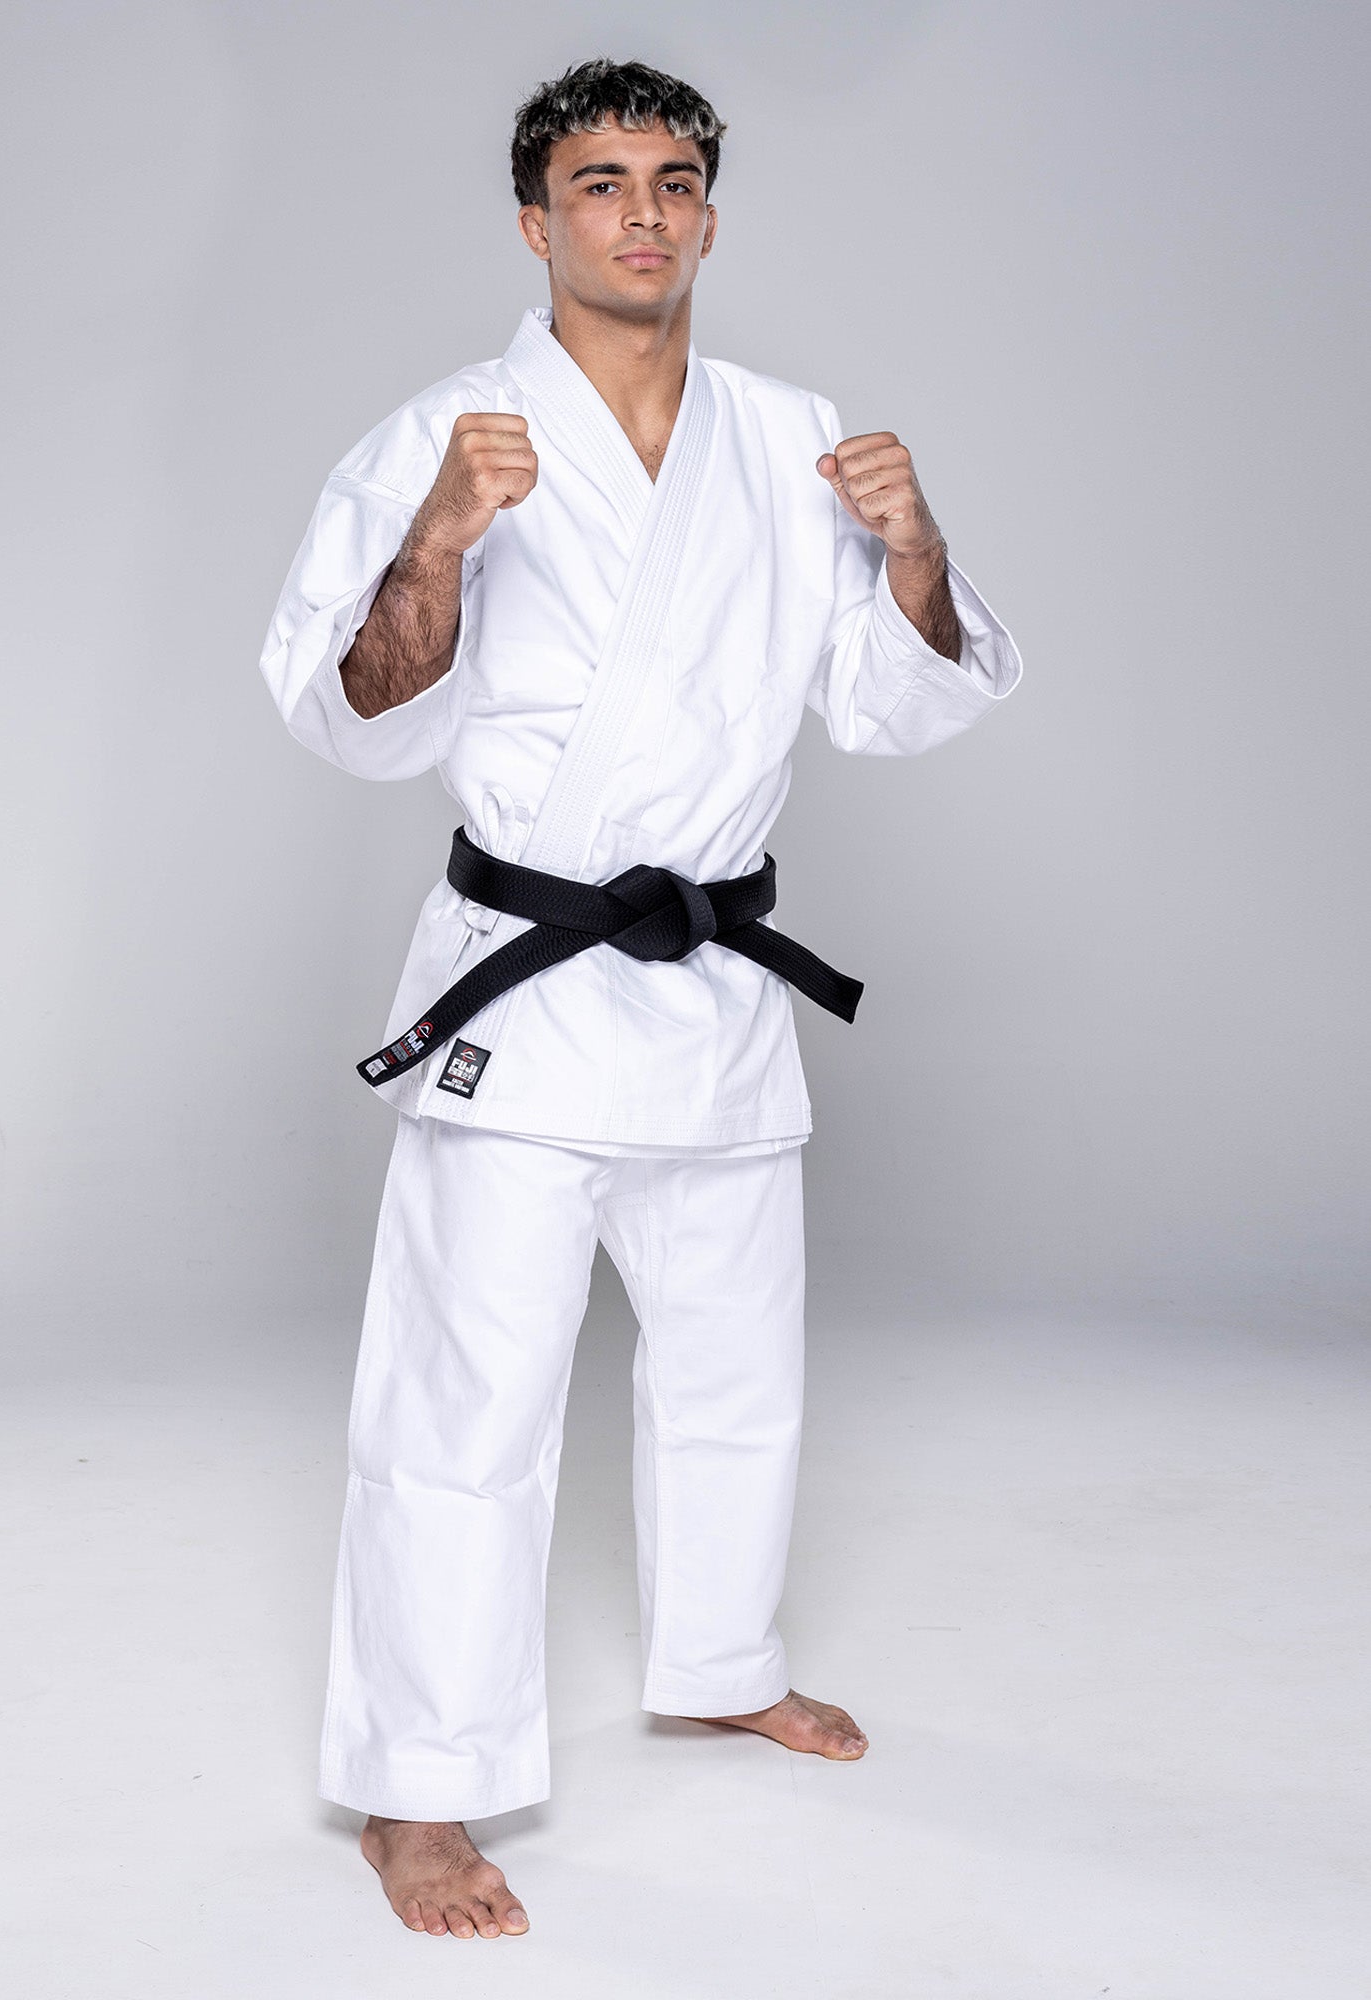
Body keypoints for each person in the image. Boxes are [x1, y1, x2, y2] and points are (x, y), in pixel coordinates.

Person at [258, 56, 1023, 1942]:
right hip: (525, 991)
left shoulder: (794, 435)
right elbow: (344, 717)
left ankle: (718, 1655)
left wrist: (916, 552)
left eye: (677, 179)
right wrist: (436, 542)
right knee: (465, 1411)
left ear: (709, 209)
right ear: (537, 221)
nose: (646, 214)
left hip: (714, 985)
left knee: (738, 1372)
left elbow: (892, 699)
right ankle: (419, 1796)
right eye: (601, 184)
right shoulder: (444, 430)